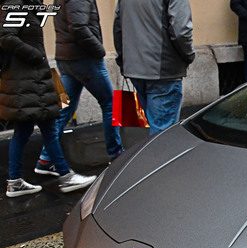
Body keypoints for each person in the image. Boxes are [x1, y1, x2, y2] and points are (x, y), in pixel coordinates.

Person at [1, 0, 96, 198]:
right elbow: (6, 36)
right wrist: (36, 56)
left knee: (25, 130)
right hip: (27, 80)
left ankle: (16, 181)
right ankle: (64, 174)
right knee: (48, 129)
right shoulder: (16, 4)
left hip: (30, 80)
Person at [34, 0, 124, 177]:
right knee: (111, 105)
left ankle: (46, 158)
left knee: (64, 110)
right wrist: (99, 51)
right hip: (85, 59)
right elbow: (78, 27)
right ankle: (116, 154)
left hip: (68, 59)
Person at [113, 0, 196, 136]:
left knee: (156, 128)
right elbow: (181, 31)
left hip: (136, 67)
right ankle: (155, 157)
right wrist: (189, 55)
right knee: (162, 133)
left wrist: (124, 60)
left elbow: (118, 27)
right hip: (163, 69)